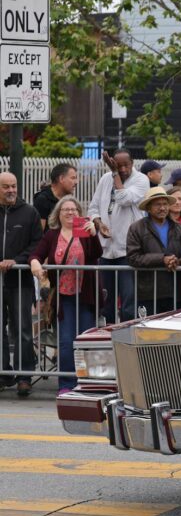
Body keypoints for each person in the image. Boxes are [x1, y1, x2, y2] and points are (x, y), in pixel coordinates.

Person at [29, 197, 102, 394]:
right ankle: (67, 384)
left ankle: (89, 383)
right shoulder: (52, 235)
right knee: (66, 340)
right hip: (63, 297)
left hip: (86, 295)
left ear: (79, 213)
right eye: (65, 210)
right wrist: (35, 263)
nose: (70, 213)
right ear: (58, 214)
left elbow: (97, 253)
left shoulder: (86, 232)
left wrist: (93, 234)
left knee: (86, 340)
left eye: (74, 210)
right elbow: (36, 254)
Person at [87, 149, 149, 323]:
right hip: (106, 251)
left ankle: (128, 339)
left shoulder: (141, 180)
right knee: (106, 302)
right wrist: (99, 224)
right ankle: (108, 341)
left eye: (125, 165)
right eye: (117, 165)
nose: (122, 169)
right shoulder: (105, 179)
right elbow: (93, 208)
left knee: (129, 303)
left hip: (128, 251)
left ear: (133, 163)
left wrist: (114, 173)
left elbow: (123, 199)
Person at [0, 172, 42, 396]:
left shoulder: (30, 213)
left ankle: (24, 376)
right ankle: (3, 373)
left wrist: (16, 261)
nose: (11, 191)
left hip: (20, 281)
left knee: (23, 330)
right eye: (6, 187)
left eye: (13, 186)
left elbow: (37, 244)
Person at [126, 187, 181, 315]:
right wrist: (162, 259)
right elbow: (133, 257)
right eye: (157, 204)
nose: (162, 208)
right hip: (148, 292)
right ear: (149, 208)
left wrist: (176, 261)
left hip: (175, 291)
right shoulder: (136, 228)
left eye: (165, 204)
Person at [33, 163, 78, 230]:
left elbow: (77, 231)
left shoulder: (69, 200)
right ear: (61, 178)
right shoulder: (42, 199)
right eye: (73, 178)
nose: (76, 182)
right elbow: (39, 234)